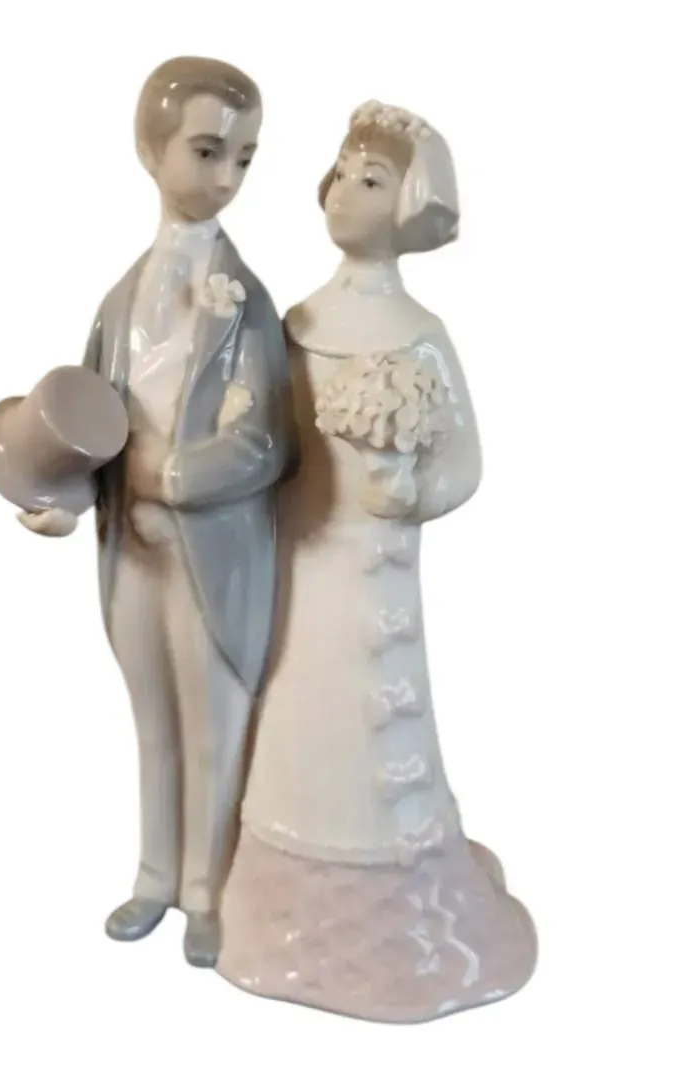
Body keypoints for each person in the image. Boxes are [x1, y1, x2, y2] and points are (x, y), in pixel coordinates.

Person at [216, 101, 536, 1020]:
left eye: (372, 180)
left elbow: (466, 462)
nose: (345, 191)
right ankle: (285, 884)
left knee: (379, 711)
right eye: (344, 171)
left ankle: (399, 894)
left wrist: (415, 490)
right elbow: (262, 434)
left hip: (381, 569)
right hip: (302, 561)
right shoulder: (297, 322)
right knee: (302, 705)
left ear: (411, 207)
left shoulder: (420, 332)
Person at [20, 57, 293, 966]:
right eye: (208, 151)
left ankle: (211, 888)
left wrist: (173, 475)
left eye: (244, 158)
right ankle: (154, 877)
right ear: (152, 150)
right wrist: (60, 498)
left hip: (215, 552)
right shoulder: (119, 299)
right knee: (152, 719)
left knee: (215, 722)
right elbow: (86, 422)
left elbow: (266, 442)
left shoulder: (246, 302)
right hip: (131, 551)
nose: (226, 177)